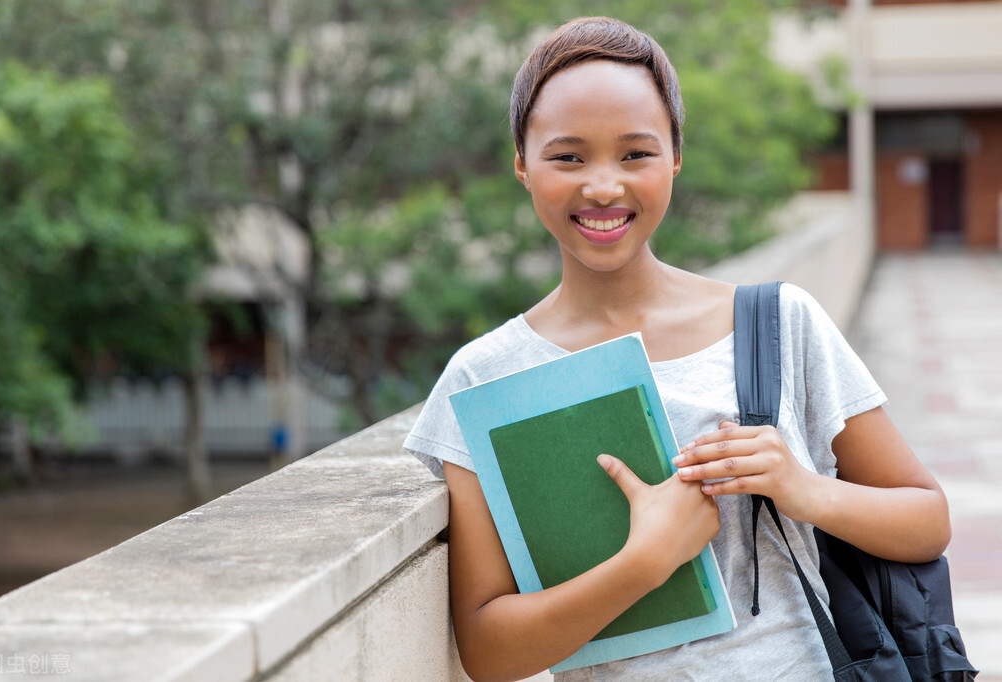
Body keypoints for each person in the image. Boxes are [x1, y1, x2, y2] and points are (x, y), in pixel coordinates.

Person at [403, 16, 950, 681]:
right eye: (568, 157)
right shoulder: (484, 378)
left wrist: (801, 488)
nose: (603, 187)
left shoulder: (775, 322)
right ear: (521, 164)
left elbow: (927, 519)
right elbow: (489, 652)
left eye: (635, 154)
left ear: (675, 157)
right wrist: (646, 561)